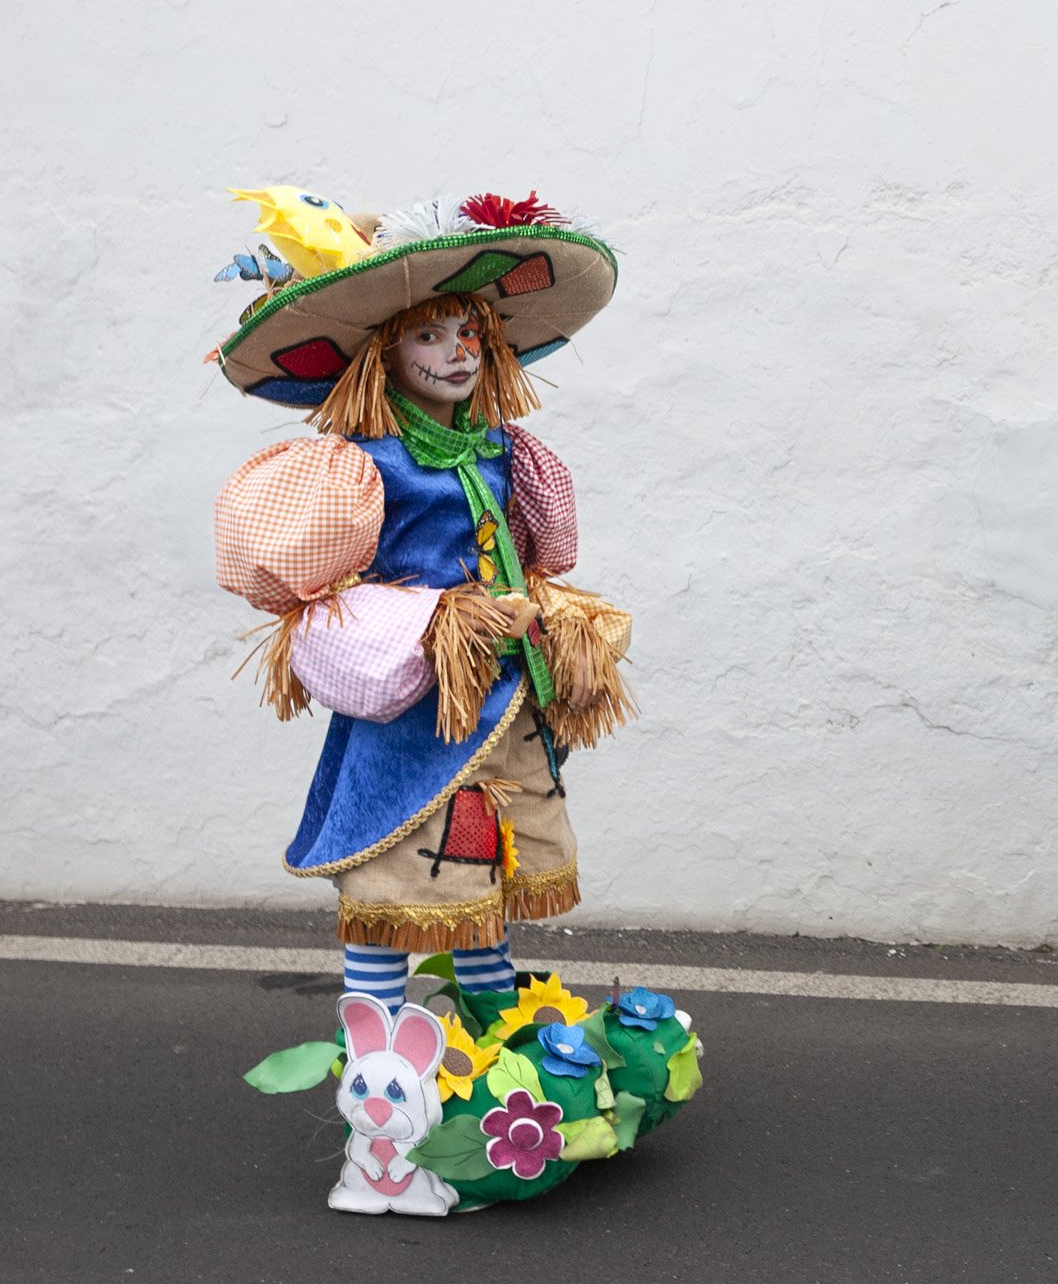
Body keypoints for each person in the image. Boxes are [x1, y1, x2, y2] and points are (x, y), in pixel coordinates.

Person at [212, 187, 696, 1214]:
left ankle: (501, 1056)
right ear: (384, 354)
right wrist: (444, 621)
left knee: (485, 879)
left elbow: (547, 549)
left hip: (502, 707)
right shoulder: (358, 463)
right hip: (416, 713)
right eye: (430, 332)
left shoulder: (500, 447)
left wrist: (546, 620)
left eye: (468, 329)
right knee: (395, 884)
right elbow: (320, 588)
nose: (456, 348)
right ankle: (381, 1113)